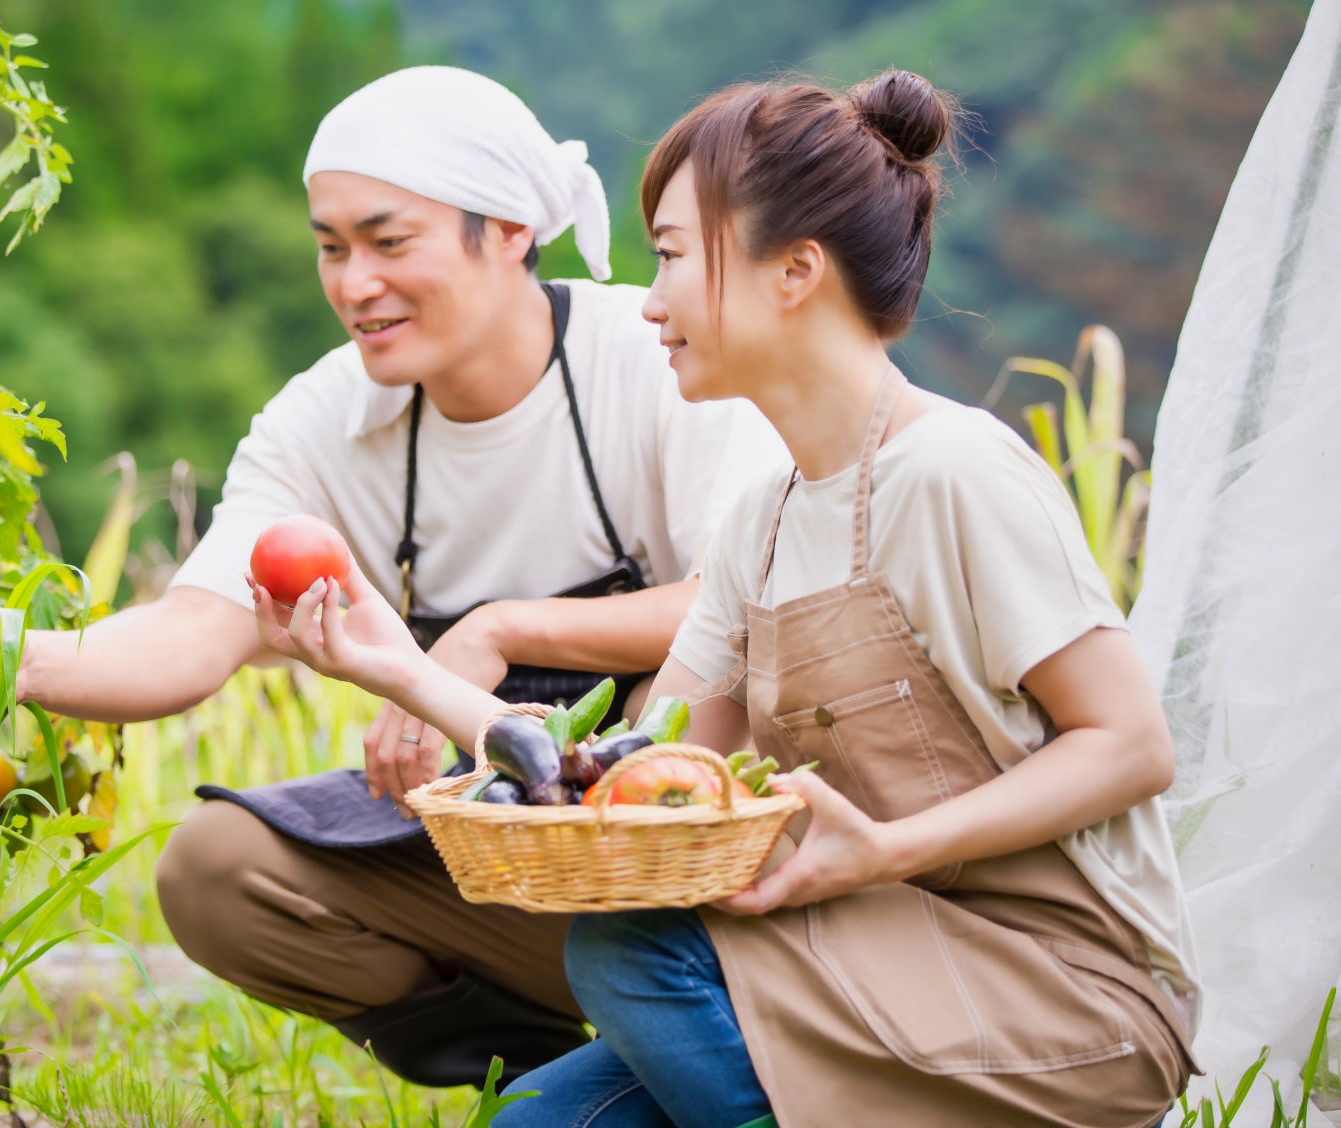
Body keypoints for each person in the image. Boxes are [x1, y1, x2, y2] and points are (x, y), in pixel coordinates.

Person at [252, 70, 1200, 1127]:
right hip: (859, 961)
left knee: (630, 949)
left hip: (1060, 997)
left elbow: (1128, 744)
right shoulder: (759, 517)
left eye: (669, 255)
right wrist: (399, 666)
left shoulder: (952, 471)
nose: (648, 301)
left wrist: (885, 851)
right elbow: (634, 780)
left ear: (795, 270)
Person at [0, 66, 789, 1087]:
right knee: (219, 870)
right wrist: (14, 660)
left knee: (695, 705)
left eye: (391, 242)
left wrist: (496, 627)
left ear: (513, 229)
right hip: (493, 851)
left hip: (685, 858)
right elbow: (194, 630)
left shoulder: (654, 357)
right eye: (331, 248)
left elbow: (745, 603)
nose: (354, 283)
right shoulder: (326, 418)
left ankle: (690, 1027)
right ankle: (542, 1067)